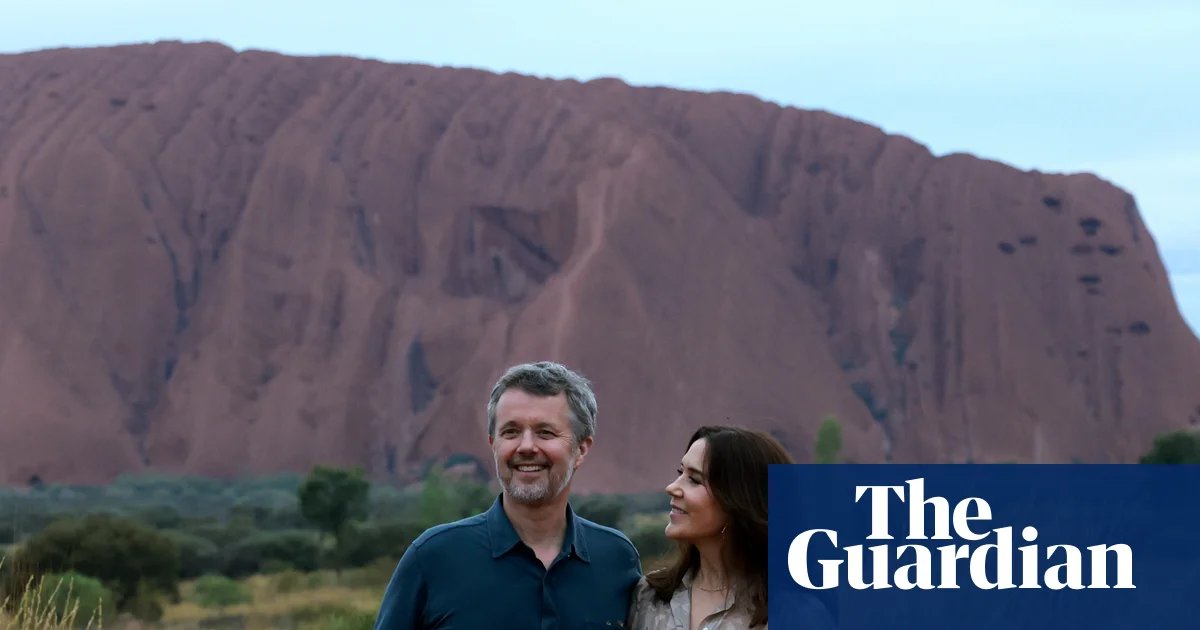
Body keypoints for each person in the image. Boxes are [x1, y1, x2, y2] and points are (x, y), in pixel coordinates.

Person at [373, 361, 642, 629]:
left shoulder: (617, 559)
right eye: (510, 432)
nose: (526, 447)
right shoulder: (434, 557)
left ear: (581, 449)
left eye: (545, 432)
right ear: (493, 445)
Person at [629, 425, 831, 629]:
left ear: (739, 499)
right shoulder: (649, 595)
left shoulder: (796, 615)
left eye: (694, 479)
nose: (672, 487)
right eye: (680, 472)